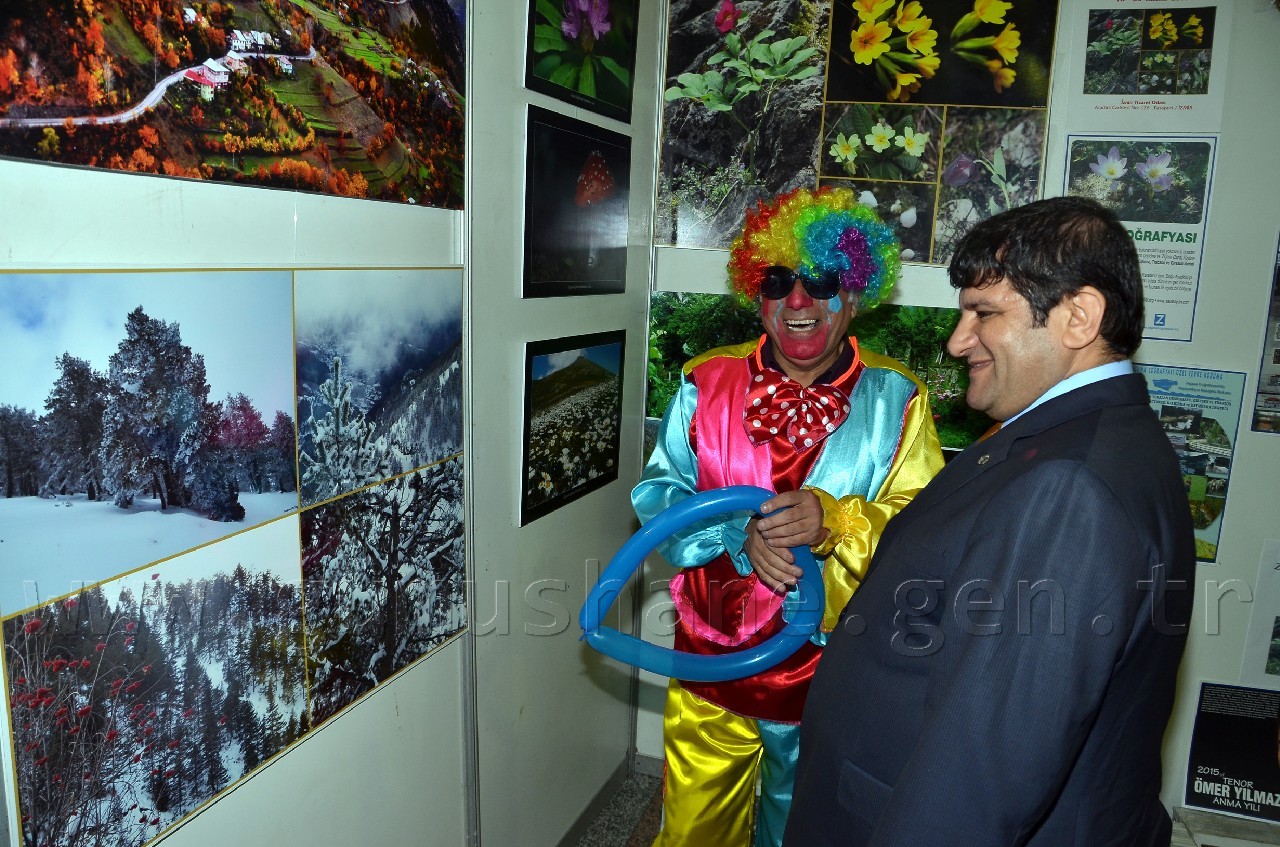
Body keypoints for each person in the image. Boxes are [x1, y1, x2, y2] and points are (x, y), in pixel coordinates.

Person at [784, 195, 1196, 846]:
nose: (957, 340)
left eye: (984, 313)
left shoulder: (1070, 488)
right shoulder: (1072, 436)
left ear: (1079, 317)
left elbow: (980, 772)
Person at [633, 186, 944, 847]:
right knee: (691, 833)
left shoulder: (899, 399)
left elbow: (926, 531)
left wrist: (835, 521)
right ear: (758, 295)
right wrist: (733, 532)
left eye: (821, 281)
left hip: (830, 681)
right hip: (711, 665)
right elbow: (658, 496)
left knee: (803, 832)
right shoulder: (703, 382)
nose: (798, 301)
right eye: (778, 281)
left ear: (853, 295)